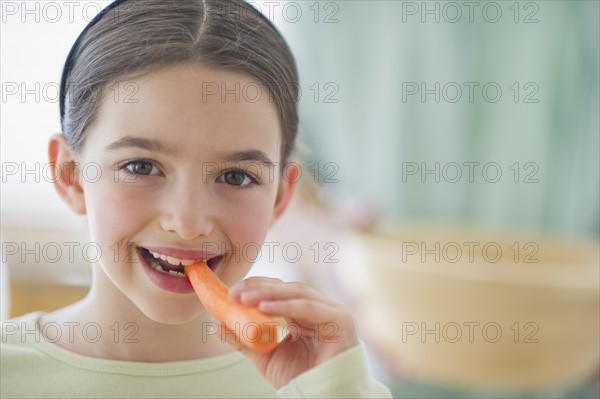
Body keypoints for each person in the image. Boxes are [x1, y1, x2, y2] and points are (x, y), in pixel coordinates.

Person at [0, 1, 392, 397]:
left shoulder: (330, 386)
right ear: (71, 176)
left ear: (279, 198)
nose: (188, 222)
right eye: (141, 167)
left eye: (235, 177)